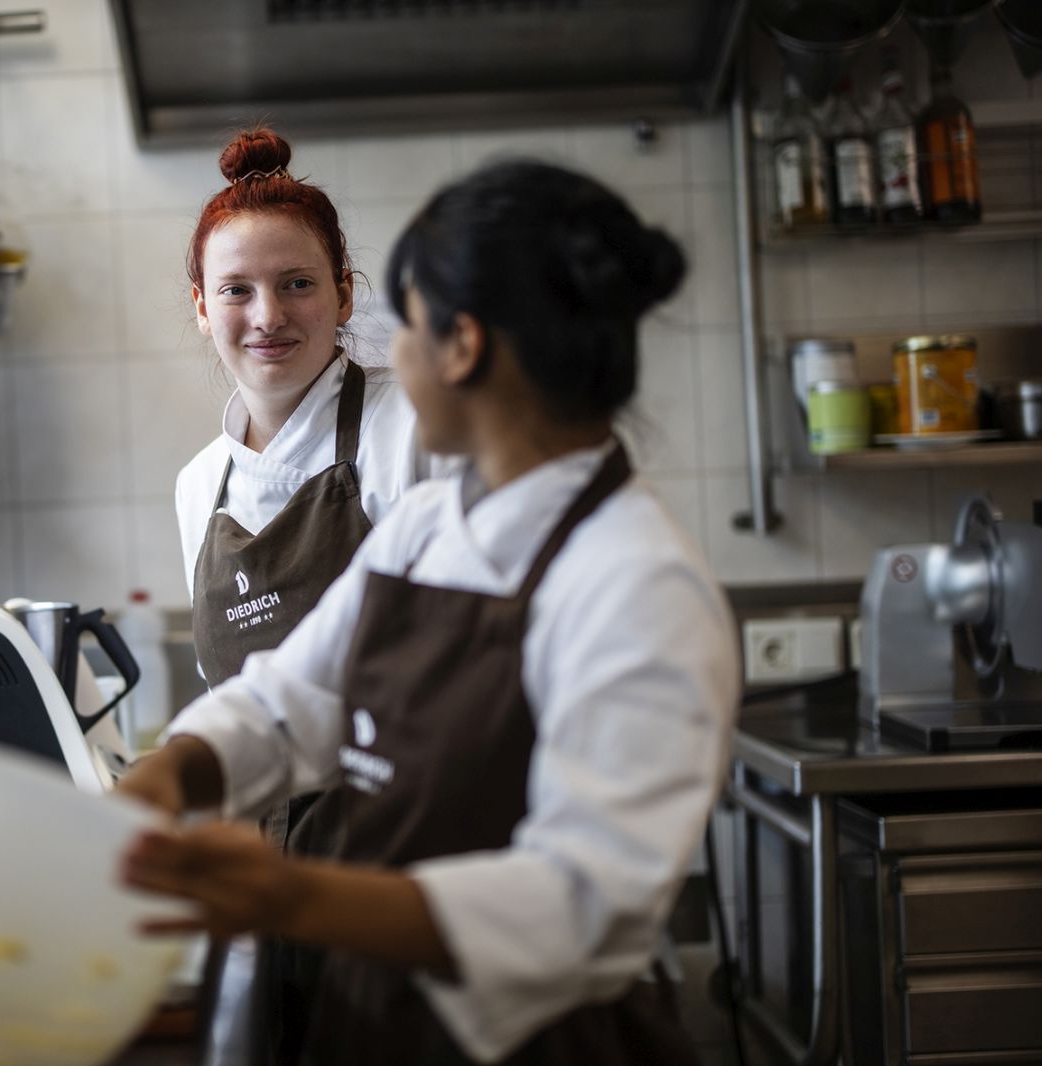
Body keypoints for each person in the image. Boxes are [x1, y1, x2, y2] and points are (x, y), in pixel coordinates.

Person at [119, 159, 739, 1065]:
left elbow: (580, 904)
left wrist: (290, 899)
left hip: (541, 1042)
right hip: (381, 1014)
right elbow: (288, 701)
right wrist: (163, 783)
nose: (388, 355)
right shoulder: (429, 526)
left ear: (463, 347)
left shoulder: (638, 582)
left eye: (401, 326)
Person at [173, 127, 451, 1061]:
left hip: (401, 858)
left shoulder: (405, 428)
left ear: (343, 293)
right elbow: (236, 699)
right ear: (201, 310)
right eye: (237, 290)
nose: (268, 316)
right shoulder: (196, 486)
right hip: (263, 867)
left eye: (297, 283)